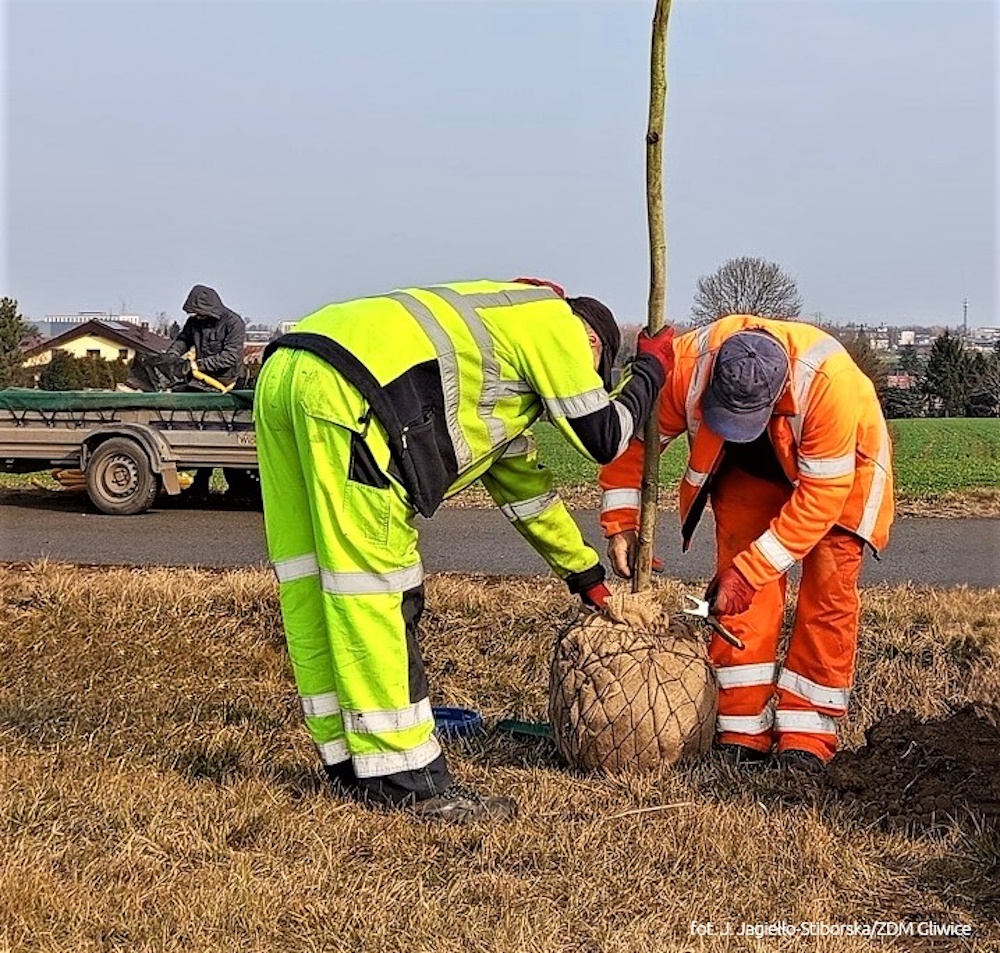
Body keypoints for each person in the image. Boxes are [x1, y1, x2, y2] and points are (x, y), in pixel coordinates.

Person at [254, 278, 674, 822]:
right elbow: (602, 436)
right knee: (376, 594)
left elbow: (529, 497)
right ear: (592, 348)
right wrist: (649, 373)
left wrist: (587, 580)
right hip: (355, 399)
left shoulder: (501, 350)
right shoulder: (559, 324)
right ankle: (407, 781)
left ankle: (347, 761)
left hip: (288, 373)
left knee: (315, 583)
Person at [599, 316, 894, 772]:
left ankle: (806, 734)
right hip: (748, 472)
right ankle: (740, 727)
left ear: (779, 395)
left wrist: (751, 569)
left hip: (839, 473)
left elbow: (820, 498)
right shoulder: (685, 366)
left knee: (827, 597)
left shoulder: (828, 386)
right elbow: (634, 443)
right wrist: (621, 520)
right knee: (739, 604)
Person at [168, 285, 250, 499]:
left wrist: (198, 366)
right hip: (201, 386)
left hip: (228, 385)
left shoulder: (233, 323)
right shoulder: (194, 323)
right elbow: (182, 341)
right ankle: (200, 481)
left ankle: (238, 488)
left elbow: (231, 356)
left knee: (228, 436)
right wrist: (172, 356)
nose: (196, 316)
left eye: (199, 312)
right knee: (198, 432)